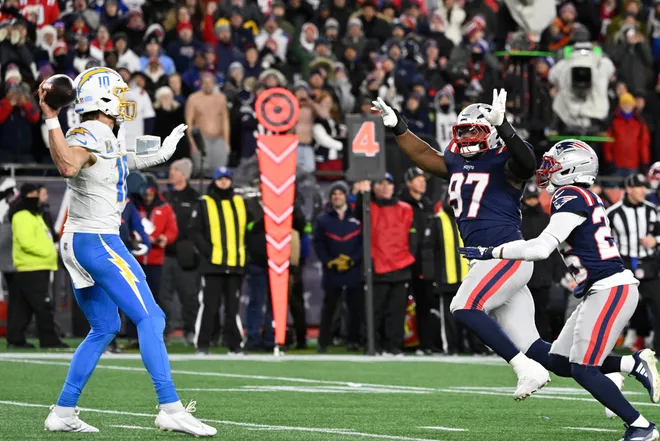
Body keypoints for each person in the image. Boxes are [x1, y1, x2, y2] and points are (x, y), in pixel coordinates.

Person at [38, 66, 215, 436]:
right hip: (98, 240)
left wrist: (162, 152)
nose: (123, 102)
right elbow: (69, 164)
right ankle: (170, 406)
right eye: (117, 95)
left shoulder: (103, 134)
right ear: (102, 100)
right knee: (152, 318)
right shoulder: (90, 132)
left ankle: (64, 410)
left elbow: (120, 159)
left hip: (80, 240)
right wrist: (51, 118)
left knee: (104, 327)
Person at [459, 140, 660, 441]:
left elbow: (541, 248)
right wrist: (492, 252)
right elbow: (538, 245)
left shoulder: (570, 194)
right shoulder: (581, 195)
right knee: (558, 361)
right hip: (598, 290)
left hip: (610, 288)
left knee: (583, 369)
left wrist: (492, 253)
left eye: (552, 165)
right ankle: (631, 363)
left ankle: (641, 426)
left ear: (571, 169)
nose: (545, 171)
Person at [371, 89, 550, 399]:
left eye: (474, 129)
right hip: (485, 262)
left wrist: (505, 126)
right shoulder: (456, 159)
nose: (466, 136)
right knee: (538, 348)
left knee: (464, 306)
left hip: (505, 256)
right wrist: (398, 126)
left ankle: (525, 368)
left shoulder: (504, 159)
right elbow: (426, 157)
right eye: (463, 130)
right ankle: (620, 368)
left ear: (492, 132)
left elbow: (527, 162)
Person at [189, 167, 247, 355]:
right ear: (214, 181)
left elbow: (253, 225)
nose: (224, 182)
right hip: (213, 265)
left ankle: (235, 345)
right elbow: (194, 231)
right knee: (209, 307)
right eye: (220, 179)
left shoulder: (240, 202)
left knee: (233, 309)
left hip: (235, 264)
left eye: (226, 178)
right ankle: (203, 345)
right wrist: (208, 252)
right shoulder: (204, 202)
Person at [355, 174, 415, 355]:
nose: (385, 187)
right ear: (374, 188)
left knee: (396, 313)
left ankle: (394, 347)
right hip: (377, 268)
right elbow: (358, 212)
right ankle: (374, 345)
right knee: (375, 312)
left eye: (389, 183)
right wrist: (360, 194)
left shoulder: (405, 209)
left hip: (401, 266)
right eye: (380, 183)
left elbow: (413, 237)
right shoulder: (367, 208)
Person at [7, 183, 67, 349]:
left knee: (23, 307)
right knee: (42, 306)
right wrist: (50, 253)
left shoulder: (36, 216)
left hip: (37, 266)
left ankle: (15, 339)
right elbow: (26, 243)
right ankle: (49, 340)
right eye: (38, 194)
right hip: (32, 267)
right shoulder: (22, 216)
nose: (43, 198)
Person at [607, 174, 660, 356]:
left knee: (658, 306)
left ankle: (658, 351)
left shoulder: (653, 210)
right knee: (618, 308)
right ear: (629, 189)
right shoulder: (613, 213)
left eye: (644, 187)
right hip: (625, 265)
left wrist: (655, 240)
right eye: (638, 187)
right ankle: (606, 347)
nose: (643, 190)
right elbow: (603, 240)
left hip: (649, 264)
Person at [313, 181, 363, 353]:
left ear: (346, 196)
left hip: (353, 270)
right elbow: (318, 244)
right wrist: (329, 262)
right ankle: (323, 342)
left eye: (340, 194)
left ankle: (354, 340)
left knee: (355, 308)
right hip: (332, 271)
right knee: (329, 308)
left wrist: (352, 260)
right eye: (334, 194)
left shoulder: (358, 216)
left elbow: (364, 243)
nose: (337, 197)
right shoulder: (323, 219)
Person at [162, 159, 200, 345]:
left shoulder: (195, 198)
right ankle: (164, 331)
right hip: (165, 254)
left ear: (184, 174)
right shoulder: (165, 197)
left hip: (186, 256)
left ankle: (190, 331)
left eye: (175, 170)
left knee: (189, 296)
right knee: (163, 296)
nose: (172, 173)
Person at [399, 167, 434, 355]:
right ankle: (397, 344)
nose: (423, 182)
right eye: (418, 179)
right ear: (409, 182)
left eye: (424, 179)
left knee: (425, 305)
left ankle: (425, 344)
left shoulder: (428, 205)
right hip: (405, 262)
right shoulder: (401, 203)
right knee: (398, 306)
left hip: (424, 264)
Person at [185, 73, 230, 177]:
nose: (208, 85)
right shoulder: (193, 99)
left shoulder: (221, 98)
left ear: (214, 84)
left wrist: (227, 142)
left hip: (219, 139)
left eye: (210, 82)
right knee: (202, 171)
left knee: (220, 172)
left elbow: (225, 121)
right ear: (200, 84)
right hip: (201, 140)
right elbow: (189, 123)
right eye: (205, 82)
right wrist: (192, 142)